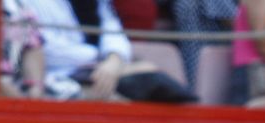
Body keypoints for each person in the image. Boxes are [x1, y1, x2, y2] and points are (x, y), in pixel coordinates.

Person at [22, 0, 197, 100]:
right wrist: (104, 62)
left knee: (153, 78)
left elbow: (112, 27)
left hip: (99, 71)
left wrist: (114, 60)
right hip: (55, 78)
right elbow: (47, 50)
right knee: (143, 82)